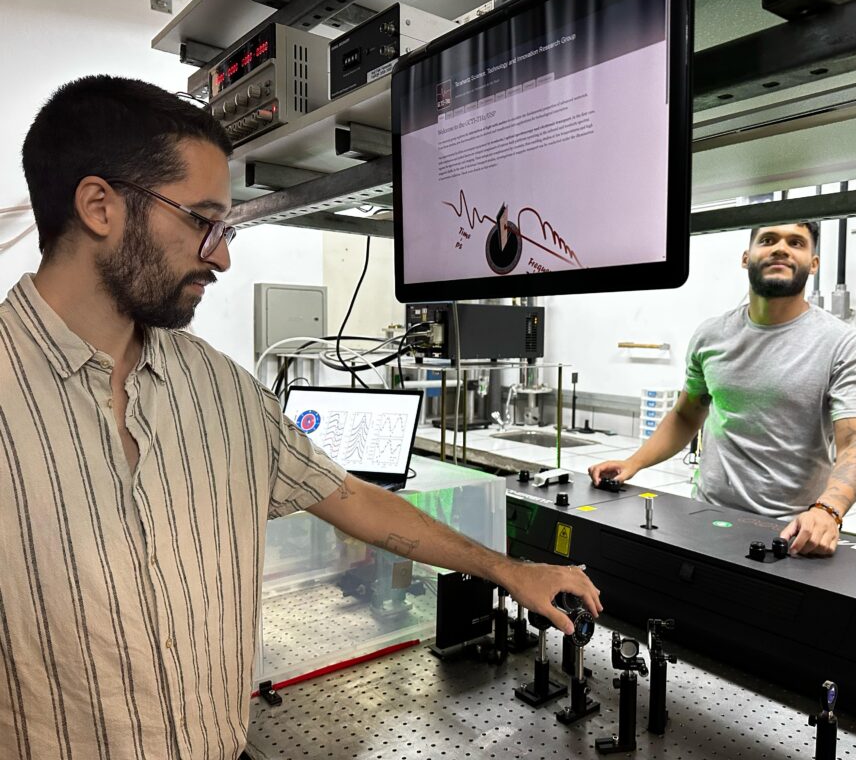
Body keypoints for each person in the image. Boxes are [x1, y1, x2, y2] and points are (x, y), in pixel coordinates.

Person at [0, 75, 601, 760]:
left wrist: (510, 571)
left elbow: (353, 499)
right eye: (202, 221)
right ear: (100, 207)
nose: (221, 255)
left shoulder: (219, 389)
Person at [589, 222, 856, 557]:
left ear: (814, 263)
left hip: (791, 531)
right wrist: (633, 463)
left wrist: (828, 511)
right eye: (768, 240)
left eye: (796, 242)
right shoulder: (711, 336)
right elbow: (686, 415)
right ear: (746, 257)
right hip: (705, 515)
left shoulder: (843, 344)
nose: (781, 248)